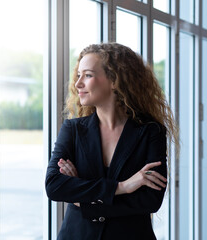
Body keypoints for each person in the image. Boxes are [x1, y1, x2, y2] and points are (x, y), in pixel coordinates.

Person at [45, 43, 178, 240]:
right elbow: (54, 186)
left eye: (88, 75)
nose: (78, 83)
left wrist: (83, 198)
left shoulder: (151, 132)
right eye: (78, 75)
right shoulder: (72, 129)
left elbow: (150, 200)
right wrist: (122, 187)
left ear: (115, 80)